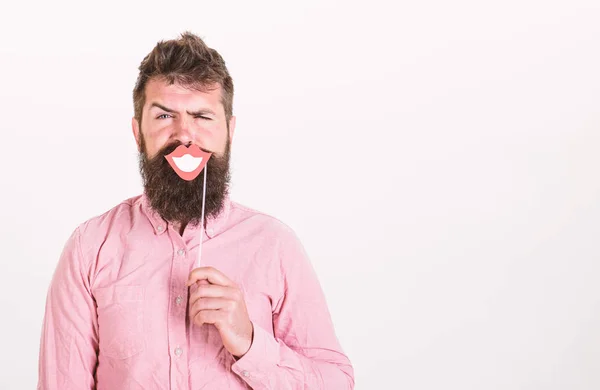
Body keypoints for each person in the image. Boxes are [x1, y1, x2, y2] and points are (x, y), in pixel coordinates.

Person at [36, 31, 354, 389]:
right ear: (137, 132)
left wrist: (249, 342)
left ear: (229, 131)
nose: (185, 135)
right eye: (163, 116)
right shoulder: (89, 248)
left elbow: (336, 382)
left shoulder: (275, 246)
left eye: (202, 116)